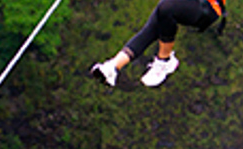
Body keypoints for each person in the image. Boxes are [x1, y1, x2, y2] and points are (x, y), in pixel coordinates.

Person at [91, 0, 226, 88]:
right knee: (152, 28)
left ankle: (164, 60)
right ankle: (113, 67)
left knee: (166, 8)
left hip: (206, 7)